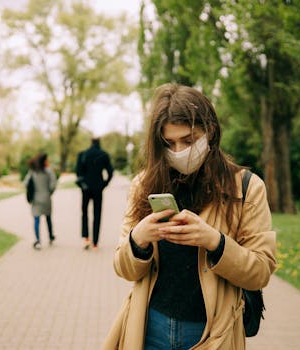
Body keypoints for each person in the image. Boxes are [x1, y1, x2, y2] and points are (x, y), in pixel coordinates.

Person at [103, 83, 276, 349]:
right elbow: (123, 268)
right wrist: (138, 240)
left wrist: (215, 242)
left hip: (211, 333)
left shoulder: (246, 187)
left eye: (189, 140)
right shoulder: (144, 185)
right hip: (150, 327)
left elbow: (260, 271)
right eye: (169, 143)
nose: (179, 150)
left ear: (211, 132)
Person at [75, 137, 114, 249]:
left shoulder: (83, 154)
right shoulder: (103, 155)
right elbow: (110, 172)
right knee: (97, 214)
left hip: (85, 188)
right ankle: (95, 242)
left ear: (91, 143)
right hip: (98, 188)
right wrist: (104, 184)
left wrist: (83, 184)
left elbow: (78, 172)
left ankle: (86, 237)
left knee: (84, 213)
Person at [23, 153, 57, 250]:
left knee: (36, 220)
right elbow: (53, 184)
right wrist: (49, 192)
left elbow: (25, 183)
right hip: (46, 198)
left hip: (36, 199)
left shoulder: (33, 172)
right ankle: (50, 236)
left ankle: (38, 240)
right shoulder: (49, 172)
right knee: (48, 218)